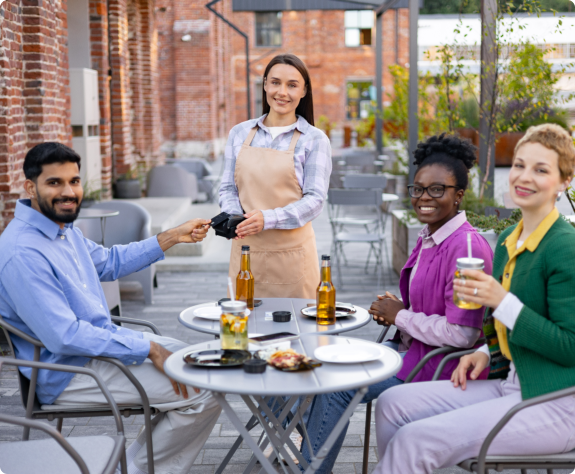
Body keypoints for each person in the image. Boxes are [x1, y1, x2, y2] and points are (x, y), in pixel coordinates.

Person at [0, 142, 221, 474]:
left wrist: (173, 236)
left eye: (74, 181)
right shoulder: (23, 252)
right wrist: (146, 347)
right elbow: (64, 336)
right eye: (54, 183)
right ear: (30, 187)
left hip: (101, 350)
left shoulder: (62, 231)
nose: (68, 191)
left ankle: (132, 465)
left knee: (205, 366)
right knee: (203, 390)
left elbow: (110, 261)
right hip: (69, 374)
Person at [372, 123, 575, 473]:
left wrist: (501, 302)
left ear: (564, 182)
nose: (524, 176)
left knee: (415, 439)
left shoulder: (564, 247)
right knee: (390, 403)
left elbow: (569, 346)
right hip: (512, 383)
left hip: (555, 401)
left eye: (541, 169)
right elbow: (509, 331)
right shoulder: (511, 237)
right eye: (519, 165)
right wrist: (485, 351)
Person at [300, 134, 493, 473]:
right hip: (412, 353)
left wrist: (401, 315)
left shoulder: (465, 249)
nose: (423, 198)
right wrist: (400, 308)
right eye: (417, 189)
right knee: (321, 366)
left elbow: (463, 333)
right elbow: (434, 304)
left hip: (440, 365)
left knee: (335, 388)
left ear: (459, 195)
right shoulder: (431, 235)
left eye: (437, 190)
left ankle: (308, 470)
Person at [219, 53, 332, 299]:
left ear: (304, 91)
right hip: (246, 254)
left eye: (292, 85)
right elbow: (227, 188)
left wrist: (267, 218)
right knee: (244, 334)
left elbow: (315, 200)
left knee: (298, 334)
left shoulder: (314, 139)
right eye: (275, 82)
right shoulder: (239, 133)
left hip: (293, 260)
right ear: (265, 84)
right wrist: (236, 218)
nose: (282, 92)